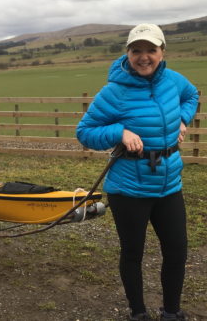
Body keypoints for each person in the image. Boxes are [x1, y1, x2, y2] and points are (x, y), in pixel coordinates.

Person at [76, 23, 198, 321]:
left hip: (169, 184)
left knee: (177, 251)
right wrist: (119, 132)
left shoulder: (174, 81)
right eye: (136, 50)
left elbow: (192, 96)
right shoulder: (113, 92)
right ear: (128, 53)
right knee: (133, 253)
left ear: (162, 52)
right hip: (129, 189)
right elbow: (85, 132)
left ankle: (171, 312)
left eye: (151, 50)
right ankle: (138, 312)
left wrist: (183, 120)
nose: (144, 57)